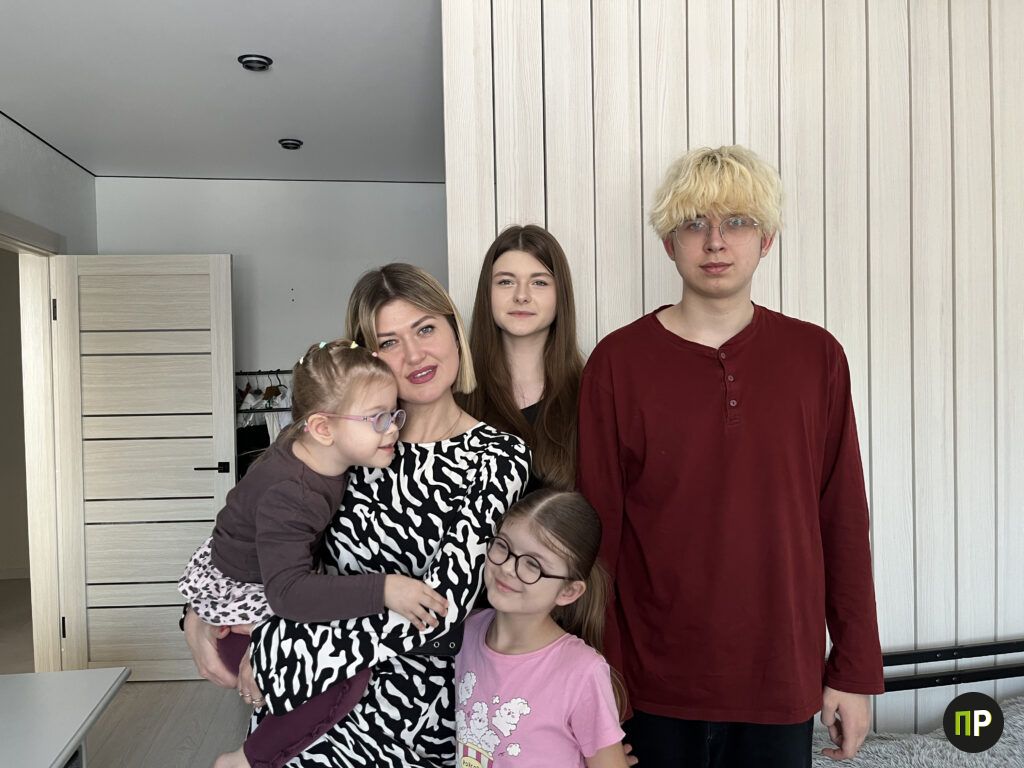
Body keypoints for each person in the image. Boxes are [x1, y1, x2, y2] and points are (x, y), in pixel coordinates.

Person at [578, 145, 884, 766]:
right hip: (648, 685)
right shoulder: (618, 362)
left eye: (736, 222)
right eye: (694, 223)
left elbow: (843, 521)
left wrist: (853, 670)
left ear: (766, 239)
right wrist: (595, 672)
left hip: (780, 677)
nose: (715, 241)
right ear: (669, 242)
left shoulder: (816, 357)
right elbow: (597, 533)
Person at [184, 263, 531, 768]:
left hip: (407, 719)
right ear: (367, 359)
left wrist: (282, 651)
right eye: (389, 342)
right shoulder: (336, 440)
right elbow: (247, 534)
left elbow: (438, 609)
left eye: (426, 329)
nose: (414, 355)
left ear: (454, 330)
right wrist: (197, 614)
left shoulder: (496, 456)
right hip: (299, 718)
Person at [178, 339, 451, 768]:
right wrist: (385, 588)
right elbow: (289, 593)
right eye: (378, 418)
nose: (394, 429)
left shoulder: (311, 447)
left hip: (260, 582)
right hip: (243, 600)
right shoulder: (294, 493)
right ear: (322, 428)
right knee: (342, 677)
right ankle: (244, 761)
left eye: (394, 413)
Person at [454, 489, 629, 767]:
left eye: (533, 564)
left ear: (569, 591)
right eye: (503, 546)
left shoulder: (583, 672)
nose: (508, 568)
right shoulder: (464, 632)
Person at [462, 225, 585, 491]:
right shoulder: (456, 395)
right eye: (505, 281)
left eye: (539, 282)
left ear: (560, 294)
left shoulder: (590, 394)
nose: (521, 296)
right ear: (486, 292)